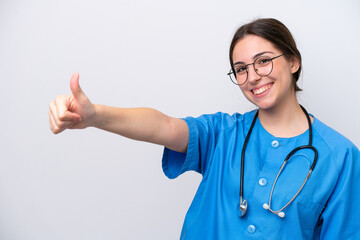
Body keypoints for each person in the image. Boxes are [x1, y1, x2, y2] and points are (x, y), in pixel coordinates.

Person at [48, 18, 360, 239]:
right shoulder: (222, 134)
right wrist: (95, 116)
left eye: (263, 61)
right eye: (241, 69)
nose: (252, 76)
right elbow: (163, 125)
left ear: (293, 62)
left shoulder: (341, 157)